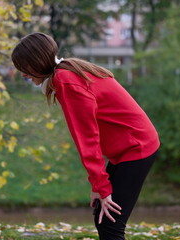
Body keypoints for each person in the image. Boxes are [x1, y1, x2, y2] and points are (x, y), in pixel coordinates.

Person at [11, 32, 160, 240]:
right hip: (129, 147)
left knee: (110, 224)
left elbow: (87, 139)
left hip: (136, 147)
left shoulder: (66, 81)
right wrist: (98, 185)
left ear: (36, 62)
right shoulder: (66, 72)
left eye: (24, 68)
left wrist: (100, 184)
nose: (23, 75)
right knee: (103, 216)